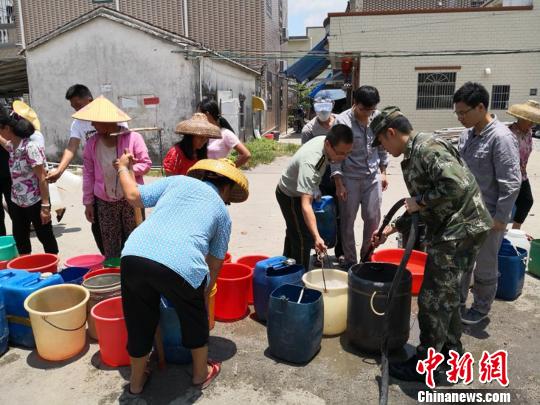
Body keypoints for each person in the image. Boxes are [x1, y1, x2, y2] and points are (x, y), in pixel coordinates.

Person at [370, 106, 492, 382]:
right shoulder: (416, 152)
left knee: (432, 299)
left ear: (391, 133)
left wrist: (421, 202)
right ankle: (451, 357)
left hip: (460, 229)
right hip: (458, 227)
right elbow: (422, 205)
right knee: (446, 297)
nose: (383, 149)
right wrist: (392, 228)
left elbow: (455, 185)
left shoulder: (426, 149)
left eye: (381, 142)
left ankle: (426, 362)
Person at [116, 156, 249, 397]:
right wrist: (202, 295)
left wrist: (123, 168)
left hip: (133, 254)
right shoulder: (221, 211)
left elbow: (134, 197)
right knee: (195, 317)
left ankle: (135, 384)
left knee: (139, 322)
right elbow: (215, 262)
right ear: (227, 187)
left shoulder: (176, 182)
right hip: (180, 264)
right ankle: (200, 374)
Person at [453, 82, 521, 325]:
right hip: (465, 213)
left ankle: (480, 309)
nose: (460, 117)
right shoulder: (467, 135)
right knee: (462, 262)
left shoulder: (501, 138)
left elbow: (511, 184)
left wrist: (500, 219)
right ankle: (457, 303)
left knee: (484, 266)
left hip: (489, 217)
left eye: (464, 112)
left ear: (480, 107)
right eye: (457, 113)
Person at [46, 84, 128, 253]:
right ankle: (110, 261)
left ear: (89, 100)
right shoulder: (78, 124)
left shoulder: (114, 117)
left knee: (126, 227)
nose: (76, 110)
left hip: (121, 180)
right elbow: (71, 147)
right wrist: (60, 171)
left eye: (78, 105)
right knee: (98, 228)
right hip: (98, 183)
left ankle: (127, 262)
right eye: (73, 107)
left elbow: (128, 144)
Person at [74, 96, 151, 259]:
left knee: (135, 242)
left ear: (108, 121)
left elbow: (145, 164)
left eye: (95, 121)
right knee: (111, 246)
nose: (92, 125)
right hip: (104, 201)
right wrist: (88, 202)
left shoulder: (133, 138)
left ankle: (135, 277)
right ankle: (114, 278)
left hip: (131, 199)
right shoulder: (92, 144)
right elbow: (88, 174)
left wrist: (127, 168)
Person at [276, 124, 353, 270]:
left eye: (348, 153)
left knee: (294, 230)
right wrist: (317, 237)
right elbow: (306, 205)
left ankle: (287, 265)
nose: (344, 158)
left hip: (298, 190)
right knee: (303, 237)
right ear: (328, 145)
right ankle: (299, 276)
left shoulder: (325, 142)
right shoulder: (312, 162)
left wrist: (314, 187)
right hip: (289, 195)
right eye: (341, 153)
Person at [331, 86, 388, 268]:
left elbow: (382, 146)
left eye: (370, 110)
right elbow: (334, 154)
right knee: (348, 221)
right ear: (355, 104)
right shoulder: (342, 121)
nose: (366, 115)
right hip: (349, 178)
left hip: (372, 177)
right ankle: (350, 261)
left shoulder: (377, 118)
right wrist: (339, 183)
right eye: (363, 110)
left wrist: (383, 172)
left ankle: (366, 257)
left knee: (373, 219)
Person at [0, 106, 58, 254]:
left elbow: (42, 177)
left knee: (45, 236)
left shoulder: (30, 147)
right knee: (20, 238)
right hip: (17, 201)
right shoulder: (12, 146)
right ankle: (26, 267)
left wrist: (45, 206)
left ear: (7, 128)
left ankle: (53, 267)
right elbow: (4, 142)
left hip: (36, 200)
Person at [301, 95, 343, 263]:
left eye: (326, 108)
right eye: (320, 109)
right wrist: (314, 186)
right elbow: (306, 159)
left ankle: (341, 252)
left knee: (341, 215)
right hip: (320, 174)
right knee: (319, 214)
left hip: (340, 172)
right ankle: (320, 253)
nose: (324, 112)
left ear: (332, 105)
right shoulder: (308, 130)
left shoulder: (341, 123)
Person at [506, 100, 540, 229]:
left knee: (526, 201)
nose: (531, 124)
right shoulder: (509, 133)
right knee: (505, 204)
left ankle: (515, 230)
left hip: (522, 174)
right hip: (508, 175)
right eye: (529, 120)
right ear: (520, 118)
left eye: (533, 121)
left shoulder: (529, 133)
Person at [198, 99, 251, 167]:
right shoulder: (202, 132)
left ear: (207, 114)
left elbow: (246, 154)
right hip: (201, 174)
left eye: (199, 114)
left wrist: (228, 169)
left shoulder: (225, 134)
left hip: (218, 176)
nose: (198, 117)